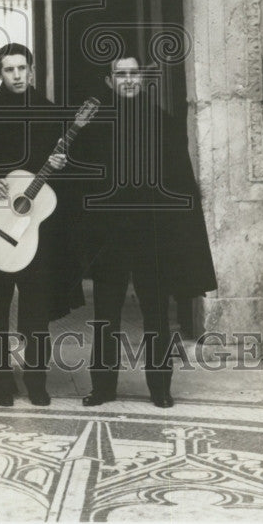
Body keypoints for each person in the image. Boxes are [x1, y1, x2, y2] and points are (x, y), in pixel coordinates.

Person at [74, 55, 217, 408]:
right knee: (105, 316)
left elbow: (181, 183)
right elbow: (81, 182)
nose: (127, 80)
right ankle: (103, 388)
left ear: (142, 79)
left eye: (133, 74)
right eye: (120, 75)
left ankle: (160, 389)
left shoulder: (163, 123)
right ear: (110, 81)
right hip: (110, 239)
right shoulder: (94, 126)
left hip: (152, 238)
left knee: (157, 317)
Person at [0, 43, 85, 407]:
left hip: (37, 225)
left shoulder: (51, 112)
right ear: (0, 73)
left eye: (22, 68)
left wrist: (61, 165)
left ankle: (37, 380)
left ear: (32, 68)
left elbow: (67, 174)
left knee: (35, 308)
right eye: (9, 70)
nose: (17, 75)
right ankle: (0, 381)